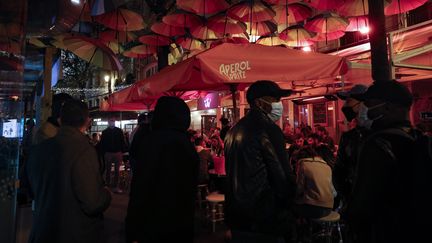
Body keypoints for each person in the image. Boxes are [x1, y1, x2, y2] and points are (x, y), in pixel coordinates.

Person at [346, 80, 429, 243]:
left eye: (369, 104)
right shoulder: (418, 138)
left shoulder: (379, 144)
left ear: (388, 107)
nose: (365, 109)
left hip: (386, 231)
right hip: (417, 230)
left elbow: (362, 204)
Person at [26, 99, 111, 243]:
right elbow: (92, 202)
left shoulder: (39, 150)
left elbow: (28, 187)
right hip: (75, 233)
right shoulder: (84, 150)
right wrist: (106, 195)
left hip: (43, 231)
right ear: (87, 121)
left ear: (60, 120)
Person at [224, 80, 297, 243]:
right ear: (258, 103)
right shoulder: (269, 129)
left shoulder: (232, 132)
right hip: (264, 218)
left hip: (237, 218)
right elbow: (282, 176)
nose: (279, 104)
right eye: (274, 100)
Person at [125, 96, 200, 243]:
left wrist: (133, 229)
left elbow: (141, 187)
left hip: (153, 223)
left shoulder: (152, 142)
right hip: (181, 223)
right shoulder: (187, 144)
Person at [333, 84, 368, 211]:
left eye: (349, 101)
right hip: (352, 199)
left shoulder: (377, 136)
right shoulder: (348, 137)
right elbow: (339, 169)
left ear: (363, 104)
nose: (345, 106)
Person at [293, 146, 335, 219]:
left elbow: (299, 189)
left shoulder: (303, 165)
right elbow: (334, 193)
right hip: (329, 208)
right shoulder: (327, 166)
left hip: (313, 208)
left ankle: (302, 228)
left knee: (291, 206)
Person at [99, 117, 126, 193]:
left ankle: (113, 185)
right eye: (111, 121)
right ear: (108, 122)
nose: (112, 122)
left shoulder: (116, 131)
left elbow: (122, 141)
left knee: (115, 170)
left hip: (115, 152)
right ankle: (110, 185)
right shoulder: (107, 132)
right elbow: (103, 143)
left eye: (113, 121)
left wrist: (122, 151)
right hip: (111, 152)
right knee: (109, 169)